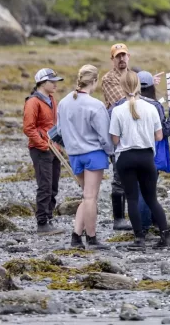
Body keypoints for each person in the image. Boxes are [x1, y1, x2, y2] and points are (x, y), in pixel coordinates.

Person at [109, 71, 170, 235]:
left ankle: (139, 237)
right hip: (147, 156)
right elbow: (159, 135)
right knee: (152, 198)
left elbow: (114, 139)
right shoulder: (152, 107)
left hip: (126, 157)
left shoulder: (117, 110)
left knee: (132, 199)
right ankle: (165, 234)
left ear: (122, 87)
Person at [101, 43, 162, 231]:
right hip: (120, 131)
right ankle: (119, 218)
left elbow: (134, 96)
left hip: (138, 135)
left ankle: (143, 224)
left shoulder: (133, 76)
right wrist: (146, 85)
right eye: (117, 56)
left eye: (124, 55)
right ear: (112, 59)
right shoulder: (109, 79)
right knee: (119, 180)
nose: (121, 59)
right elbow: (124, 99)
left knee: (140, 188)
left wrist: (145, 82)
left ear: (128, 56)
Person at [56, 65, 113, 249]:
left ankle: (75, 236)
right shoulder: (96, 105)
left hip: (74, 155)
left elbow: (59, 130)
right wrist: (111, 152)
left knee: (86, 196)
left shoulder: (64, 102)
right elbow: (104, 136)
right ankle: (92, 238)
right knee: (91, 197)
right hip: (93, 154)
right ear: (94, 81)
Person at [23, 67, 65, 235]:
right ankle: (42, 223)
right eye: (52, 81)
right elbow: (28, 128)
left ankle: (49, 218)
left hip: (54, 148)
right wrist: (43, 145)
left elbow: (53, 125)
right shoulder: (32, 102)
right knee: (45, 185)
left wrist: (58, 145)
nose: (55, 84)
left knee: (53, 185)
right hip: (41, 150)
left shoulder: (51, 99)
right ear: (42, 83)